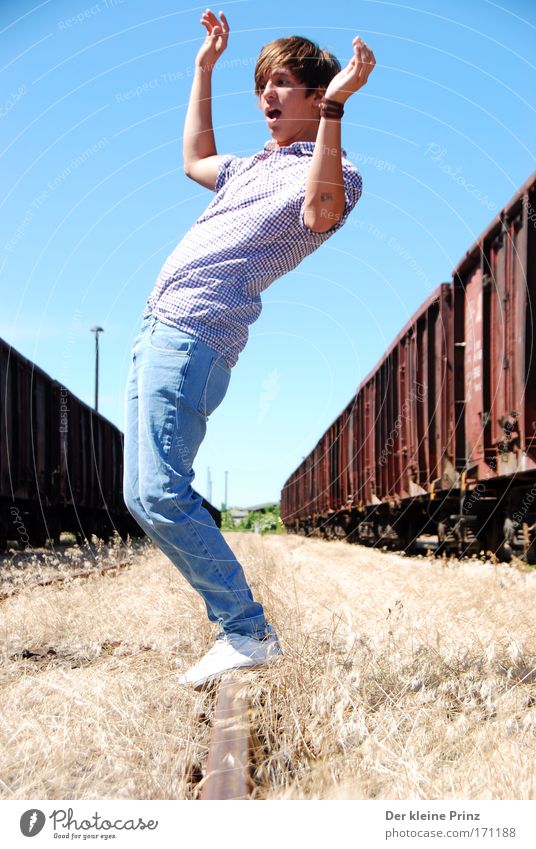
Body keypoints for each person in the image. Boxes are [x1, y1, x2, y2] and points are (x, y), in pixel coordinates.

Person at [123, 8, 376, 688]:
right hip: (158, 331)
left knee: (158, 491)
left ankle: (246, 630)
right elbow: (193, 158)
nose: (266, 95)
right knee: (143, 495)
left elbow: (322, 212)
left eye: (283, 82)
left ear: (318, 95)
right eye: (261, 82)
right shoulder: (249, 168)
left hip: (195, 335)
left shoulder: (333, 171)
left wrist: (335, 114)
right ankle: (241, 629)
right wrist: (203, 70)